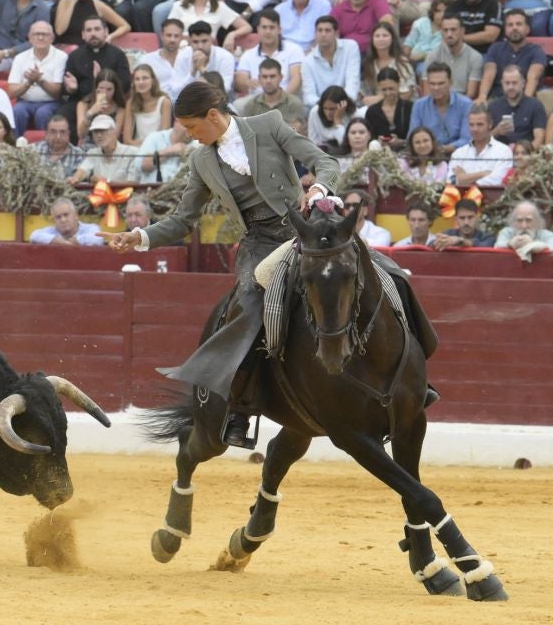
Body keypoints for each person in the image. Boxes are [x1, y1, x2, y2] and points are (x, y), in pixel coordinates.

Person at [104, 79, 436, 449]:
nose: (190, 135)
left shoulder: (269, 125)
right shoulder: (200, 160)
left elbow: (323, 162)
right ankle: (240, 407)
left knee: (389, 276)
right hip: (259, 244)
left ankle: (416, 380)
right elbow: (184, 220)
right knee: (248, 307)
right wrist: (140, 237)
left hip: (304, 230)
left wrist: (319, 189)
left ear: (213, 116)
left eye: (193, 127)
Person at [29, 197, 103, 247]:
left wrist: (77, 240)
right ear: (53, 221)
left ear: (76, 215)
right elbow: (33, 236)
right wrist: (55, 240)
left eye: (66, 215)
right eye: (58, 217)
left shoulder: (90, 228)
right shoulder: (52, 231)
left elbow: (98, 238)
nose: (63, 220)